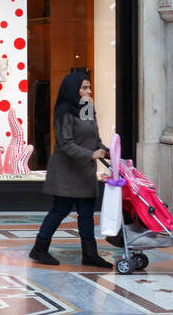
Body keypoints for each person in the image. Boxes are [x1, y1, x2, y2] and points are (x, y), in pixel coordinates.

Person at [29, 72, 113, 269]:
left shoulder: (87, 108)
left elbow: (94, 138)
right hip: (66, 171)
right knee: (60, 210)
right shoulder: (64, 112)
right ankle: (39, 249)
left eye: (89, 87)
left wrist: (106, 150)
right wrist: (91, 155)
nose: (89, 91)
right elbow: (65, 143)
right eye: (84, 88)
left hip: (84, 171)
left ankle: (90, 254)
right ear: (73, 89)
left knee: (86, 213)